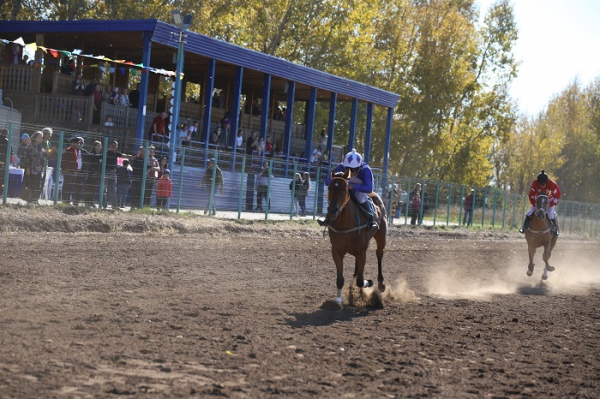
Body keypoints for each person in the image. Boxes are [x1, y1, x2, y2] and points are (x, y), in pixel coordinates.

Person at [318, 149, 379, 232]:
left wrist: (353, 186)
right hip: (345, 189)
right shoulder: (342, 167)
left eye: (353, 170)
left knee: (360, 196)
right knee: (336, 194)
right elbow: (327, 181)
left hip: (360, 190)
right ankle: (328, 217)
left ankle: (371, 219)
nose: (350, 172)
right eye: (348, 169)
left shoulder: (366, 170)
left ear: (359, 167)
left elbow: (369, 188)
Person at [520, 170, 561, 235]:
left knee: (551, 213)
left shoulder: (552, 184)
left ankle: (555, 229)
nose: (541, 185)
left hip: (549, 200)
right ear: (537, 182)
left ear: (547, 183)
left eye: (543, 184)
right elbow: (531, 195)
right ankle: (524, 227)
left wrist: (551, 204)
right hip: (538, 200)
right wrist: (535, 205)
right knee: (531, 211)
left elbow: (558, 195)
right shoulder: (534, 183)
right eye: (540, 184)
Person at [105, 140, 132, 209]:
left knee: (113, 189)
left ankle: (114, 206)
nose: (114, 147)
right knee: (104, 189)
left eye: (115, 146)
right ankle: (104, 204)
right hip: (107, 171)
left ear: (117, 147)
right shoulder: (107, 153)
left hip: (113, 172)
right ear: (110, 146)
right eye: (113, 145)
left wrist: (134, 156)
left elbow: (125, 155)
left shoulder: (117, 153)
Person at [21, 131, 46, 204]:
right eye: (39, 137)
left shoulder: (40, 147)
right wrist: (28, 167)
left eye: (41, 138)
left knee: (37, 185)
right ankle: (29, 199)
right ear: (35, 138)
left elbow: (43, 157)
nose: (40, 139)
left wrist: (43, 166)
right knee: (30, 184)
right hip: (31, 169)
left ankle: (35, 200)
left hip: (38, 170)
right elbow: (26, 157)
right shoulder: (30, 146)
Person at [61, 137, 82, 205]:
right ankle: (65, 200)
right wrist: (63, 169)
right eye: (77, 143)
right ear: (73, 143)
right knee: (67, 186)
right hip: (68, 171)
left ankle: (67, 200)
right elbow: (64, 161)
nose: (79, 145)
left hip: (73, 171)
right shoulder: (69, 150)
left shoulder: (75, 150)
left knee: (70, 187)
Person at [82, 140, 103, 207]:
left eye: (100, 146)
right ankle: (88, 201)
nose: (99, 147)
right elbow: (95, 157)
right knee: (90, 188)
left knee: (93, 189)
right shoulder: (92, 153)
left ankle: (90, 201)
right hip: (91, 173)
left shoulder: (98, 155)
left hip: (96, 174)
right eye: (98, 145)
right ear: (94, 146)